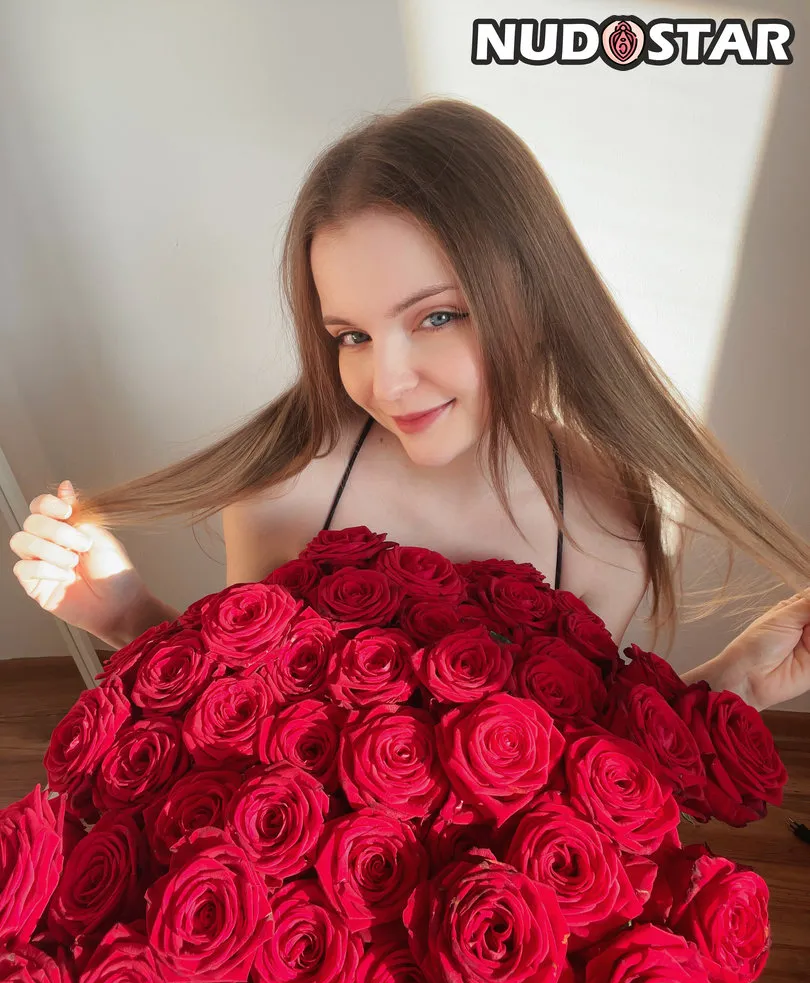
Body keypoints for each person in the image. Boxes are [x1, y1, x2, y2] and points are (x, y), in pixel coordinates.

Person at [8, 97, 810, 713]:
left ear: (534, 295)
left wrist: (738, 679)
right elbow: (238, 720)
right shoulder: (285, 490)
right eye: (352, 336)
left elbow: (580, 761)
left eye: (437, 317)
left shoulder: (603, 516)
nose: (386, 384)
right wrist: (129, 615)